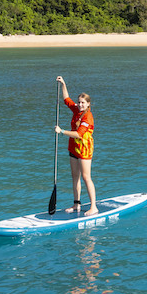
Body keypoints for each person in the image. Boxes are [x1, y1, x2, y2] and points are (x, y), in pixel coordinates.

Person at [55, 76, 97, 216]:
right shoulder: (76, 111)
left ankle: (93, 207)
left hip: (84, 149)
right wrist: (63, 83)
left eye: (83, 103)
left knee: (86, 177)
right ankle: (76, 204)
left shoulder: (87, 117)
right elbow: (66, 99)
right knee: (75, 177)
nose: (80, 105)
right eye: (79, 102)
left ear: (88, 104)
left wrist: (61, 131)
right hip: (73, 148)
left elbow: (79, 134)